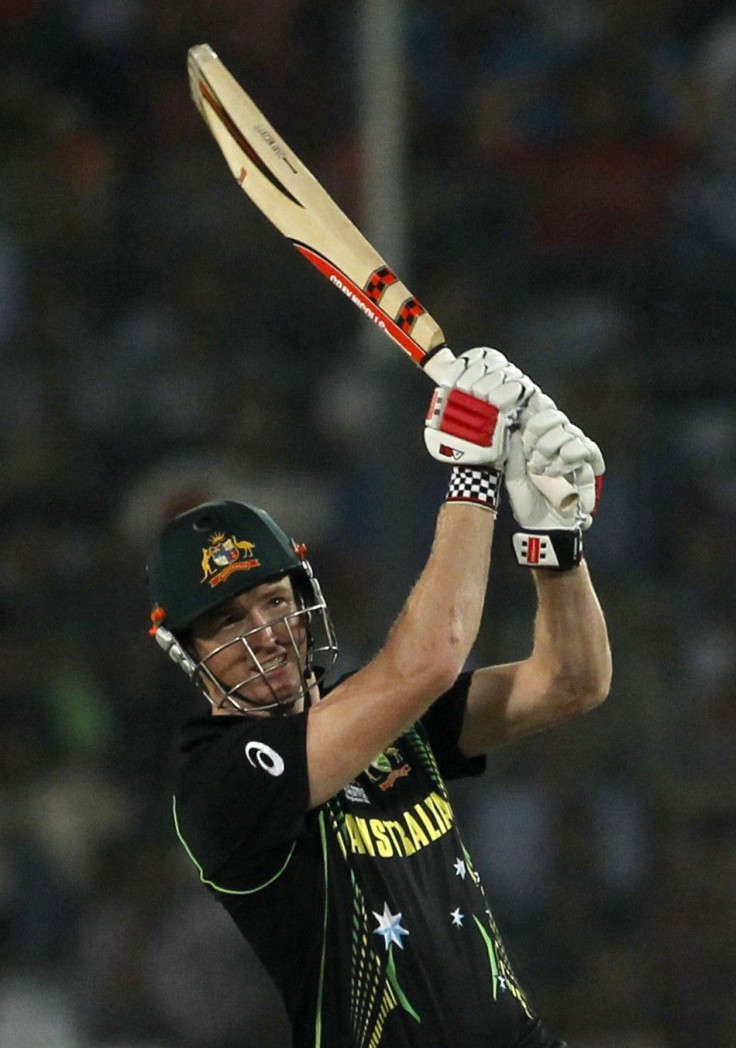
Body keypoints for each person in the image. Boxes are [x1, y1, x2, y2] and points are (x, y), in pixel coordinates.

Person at [146, 347, 611, 1048]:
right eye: (227, 621)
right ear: (186, 651)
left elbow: (572, 681)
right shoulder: (218, 780)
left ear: (307, 604)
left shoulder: (386, 719)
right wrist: (472, 478)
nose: (264, 635)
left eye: (274, 603)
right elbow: (429, 660)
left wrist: (555, 541)